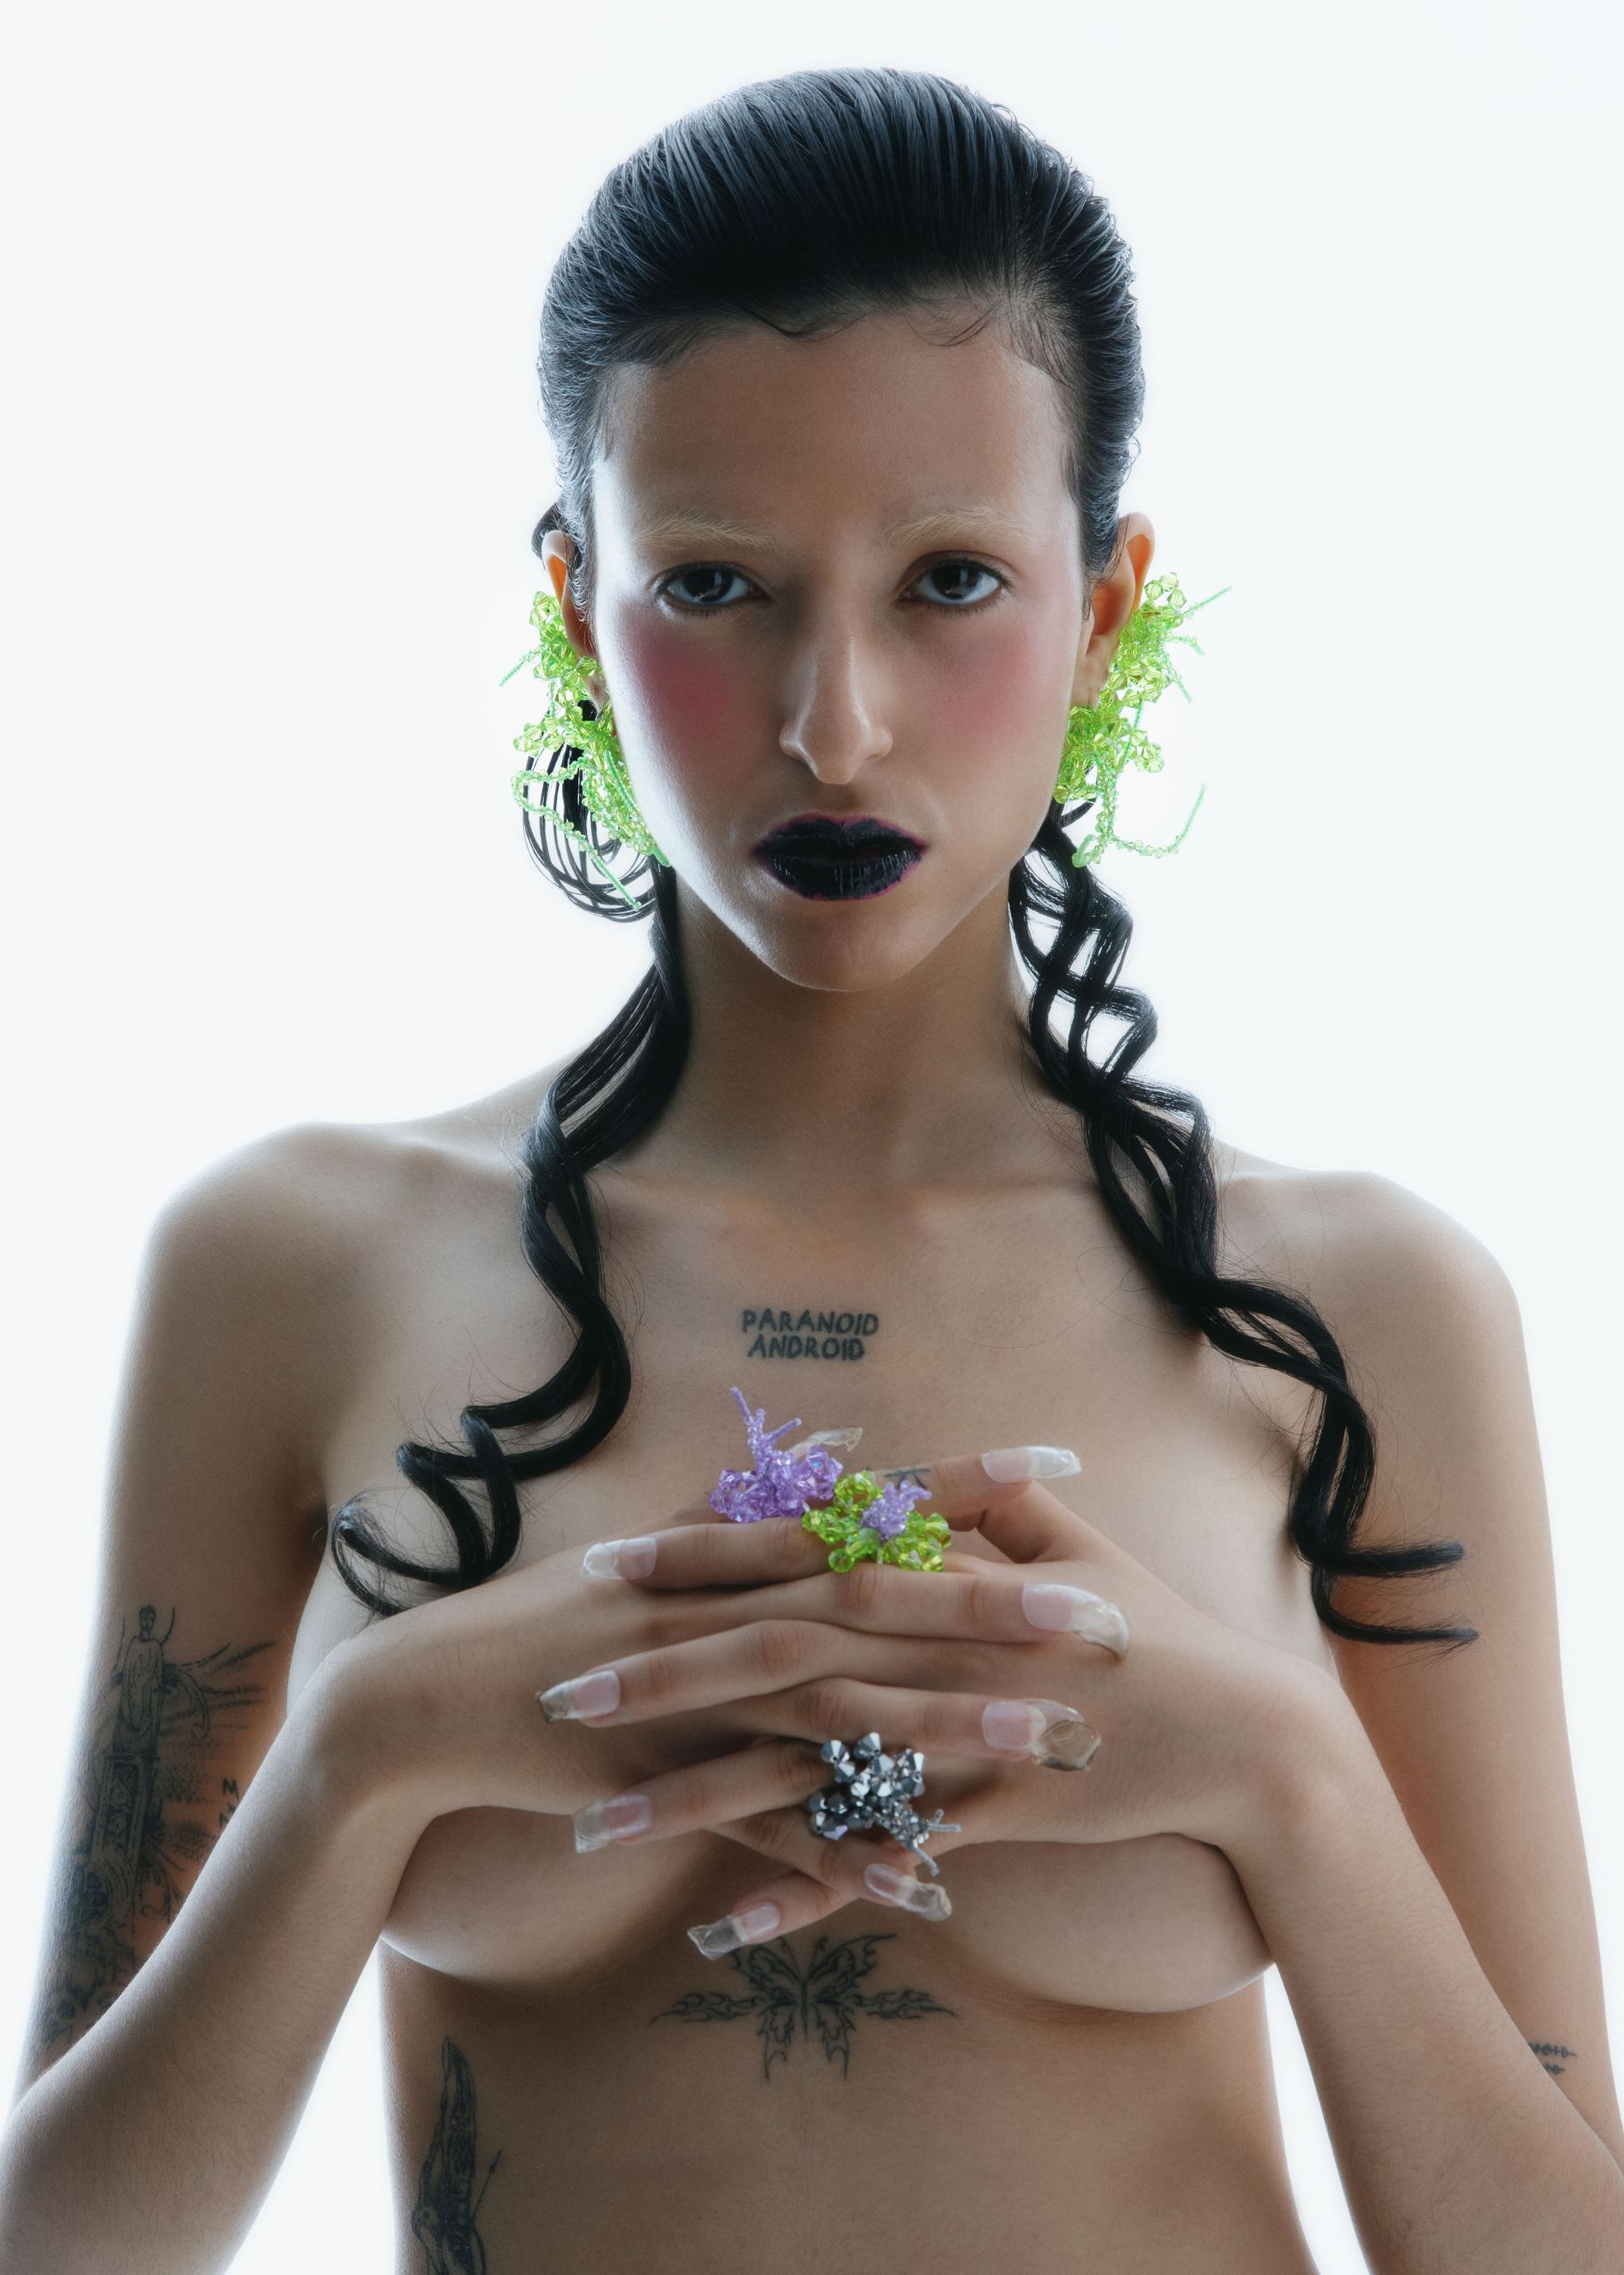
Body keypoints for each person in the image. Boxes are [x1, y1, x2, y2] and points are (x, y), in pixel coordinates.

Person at [4, 63, 1621, 2275]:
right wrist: (360, 1753)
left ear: (1105, 606)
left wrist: (1284, 1779)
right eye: (715, 583)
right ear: (573, 600)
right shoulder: (291, 1267)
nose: (831, 720)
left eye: (949, 579)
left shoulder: (1361, 1305)